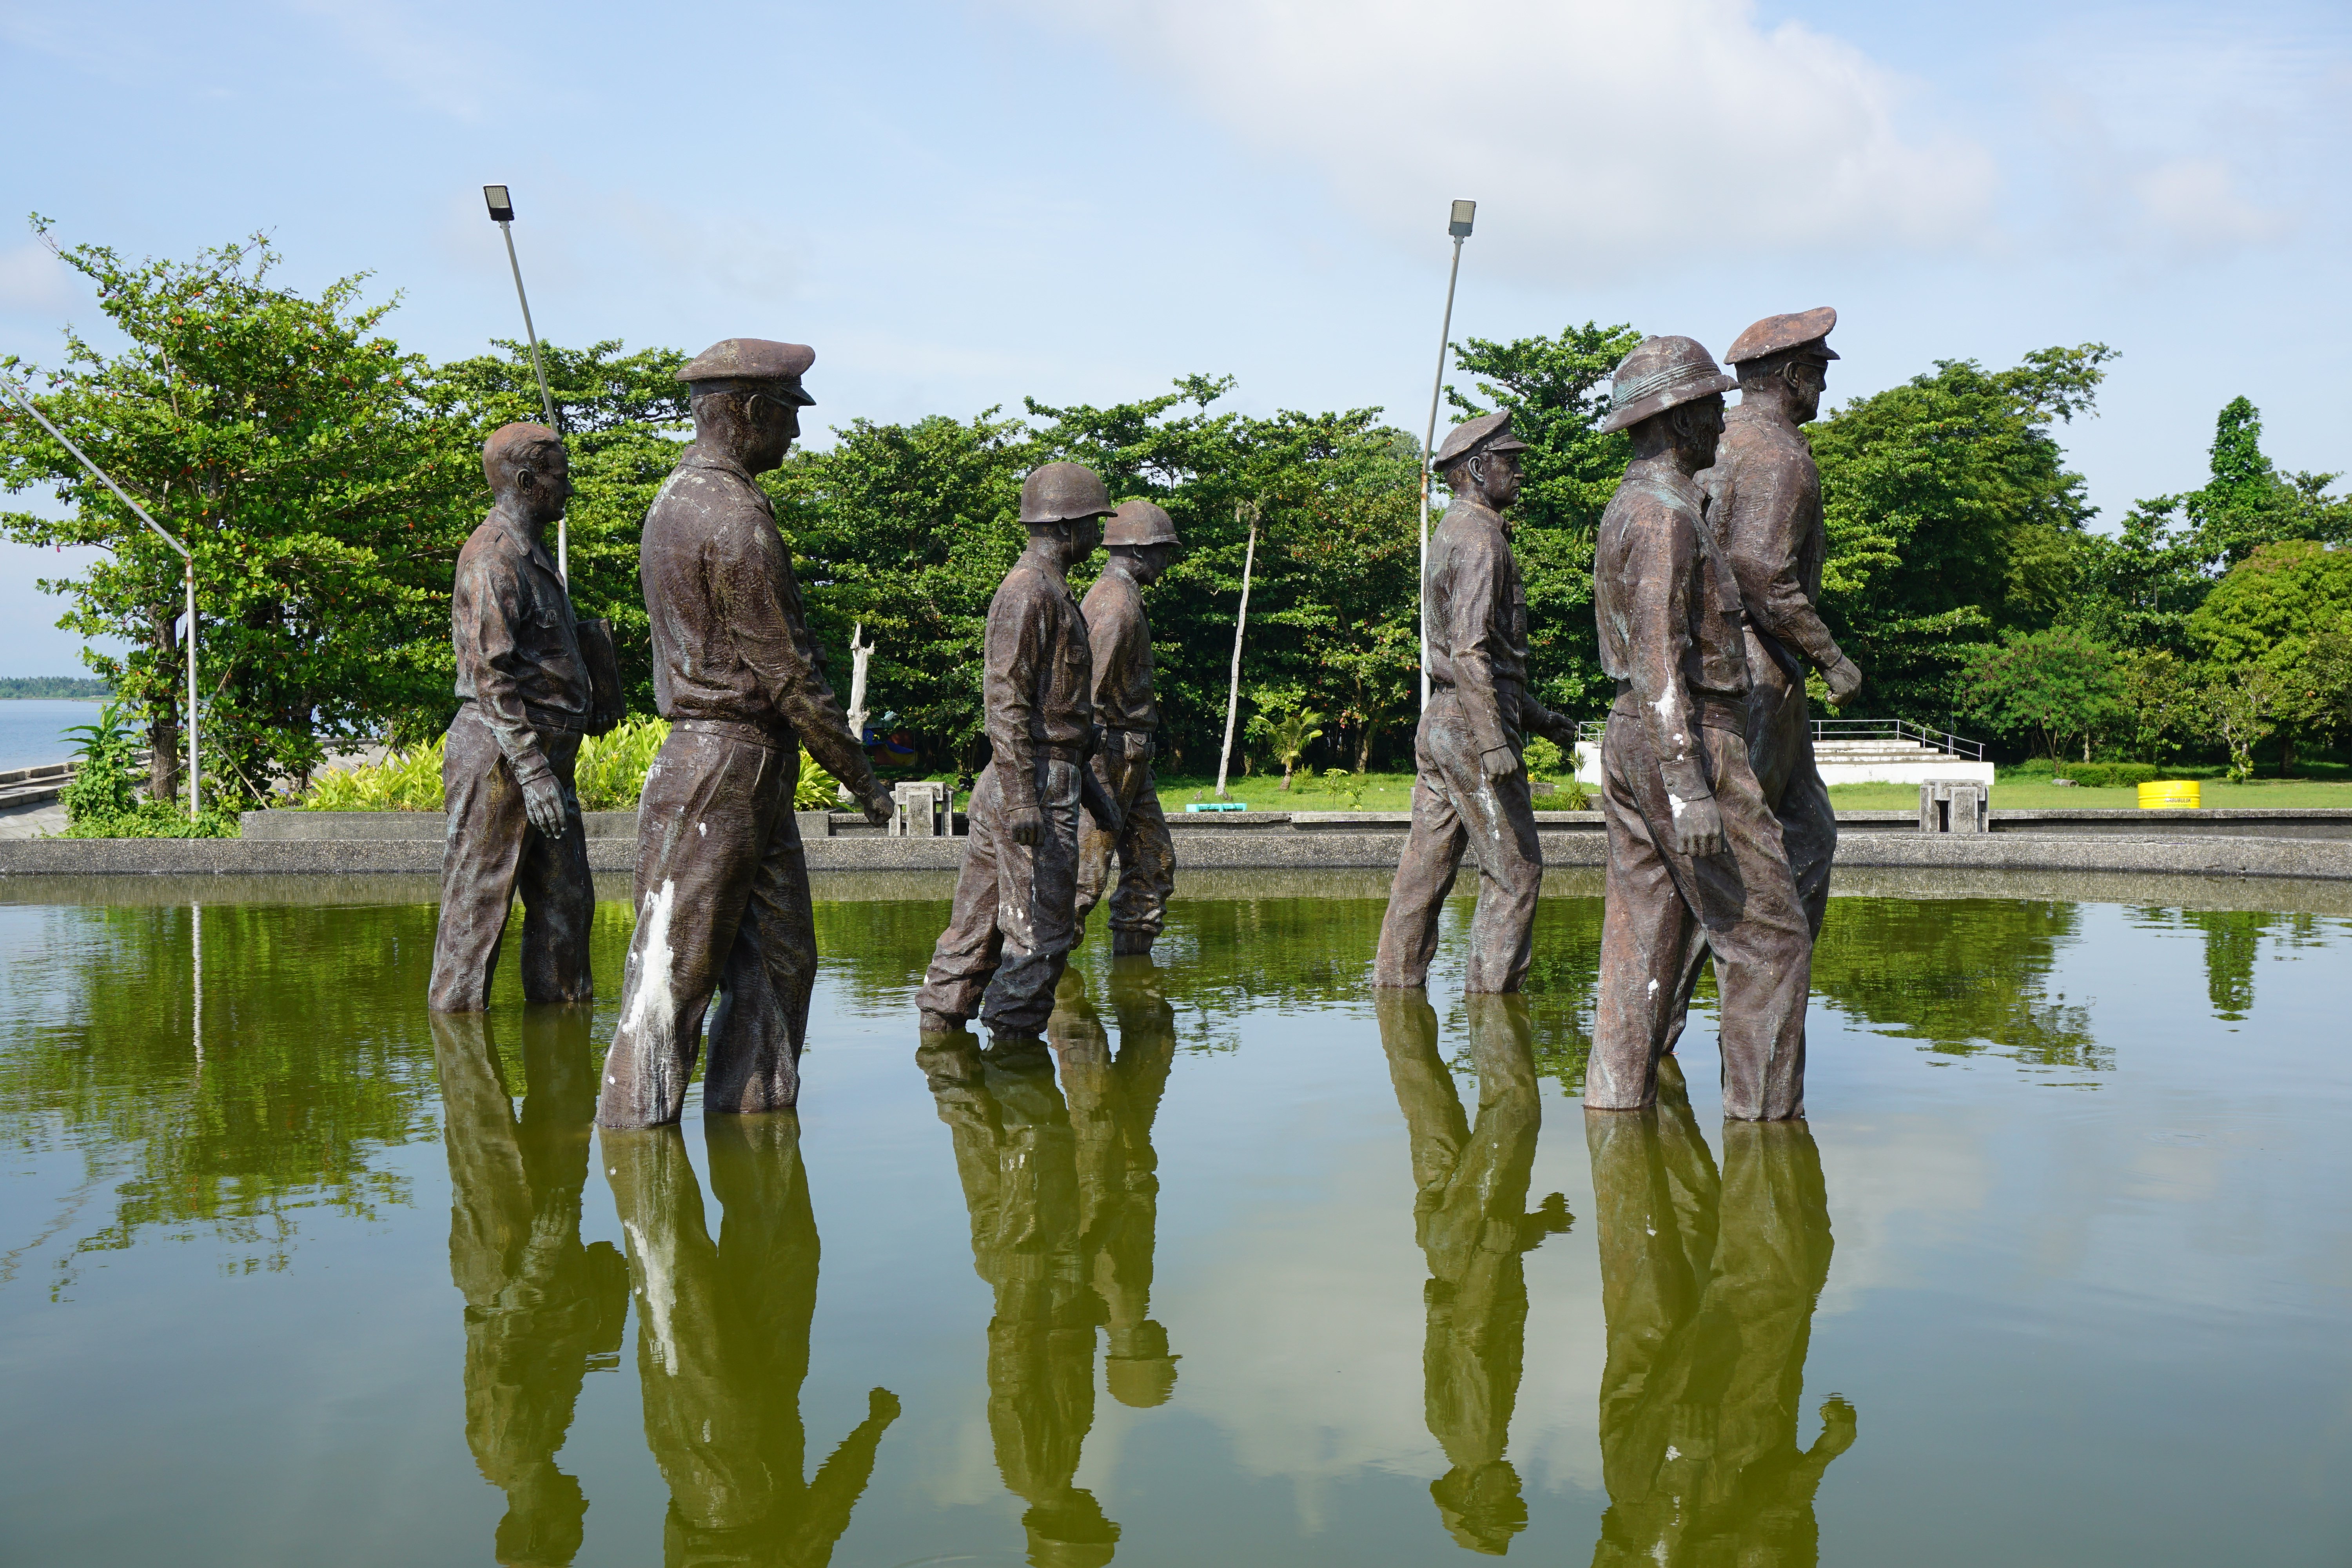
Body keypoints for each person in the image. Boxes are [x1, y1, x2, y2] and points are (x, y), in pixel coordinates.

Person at [596, 339, 894, 1130]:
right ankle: (641, 1164)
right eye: (790, 415)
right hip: (719, 760)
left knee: (782, 958)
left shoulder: (690, 500)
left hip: (746, 766)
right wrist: (863, 779)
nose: (796, 435)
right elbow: (787, 670)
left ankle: (756, 1126)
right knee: (673, 975)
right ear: (754, 411)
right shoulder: (728, 515)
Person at [1588, 336, 1813, 1120]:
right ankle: (1765, 1142)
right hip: (1688, 735)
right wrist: (1688, 785)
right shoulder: (1665, 514)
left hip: (1636, 736)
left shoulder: (1634, 504)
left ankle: (1617, 1111)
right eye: (1711, 406)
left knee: (1642, 942)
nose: (1724, 419)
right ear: (1679, 420)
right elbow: (1657, 657)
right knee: (1770, 941)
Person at [1664, 308, 1861, 1055]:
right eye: (1816, 374)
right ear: (1790, 377)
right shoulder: (1779, 455)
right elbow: (1766, 578)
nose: (1821, 390)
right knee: (1726, 867)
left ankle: (1764, 1001)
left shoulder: (1721, 444)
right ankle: (1733, 1011)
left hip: (1744, 672)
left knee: (1807, 832)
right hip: (1758, 673)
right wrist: (1832, 657)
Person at [1584, 1061, 1855, 1564]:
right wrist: (1823, 1455)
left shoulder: (1644, 1509)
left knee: (1668, 1236)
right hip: (1731, 1422)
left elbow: (1666, 1528)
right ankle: (1659, 1075)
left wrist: (1685, 1464)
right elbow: (1779, 1512)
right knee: (1735, 1249)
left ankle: (1653, 1071)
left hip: (1671, 1447)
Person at [602, 1116, 901, 1566]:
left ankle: (655, 1144)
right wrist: (871, 1432)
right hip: (715, 1462)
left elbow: (825, 1516)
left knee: (682, 1263)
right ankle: (716, 1132)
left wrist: (873, 1430)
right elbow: (823, 1518)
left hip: (720, 1465)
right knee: (707, 1258)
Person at [915, 463, 1124, 1041]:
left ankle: (950, 1076)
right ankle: (1016, 1065)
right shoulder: (1028, 592)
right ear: (1064, 526)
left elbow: (1060, 714)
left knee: (976, 928)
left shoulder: (1052, 592)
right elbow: (1004, 701)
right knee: (1040, 938)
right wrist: (1022, 801)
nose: (1097, 536)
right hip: (1029, 786)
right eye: (1091, 524)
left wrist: (1098, 800)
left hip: (1036, 778)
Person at [1375, 410, 1580, 994]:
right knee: (1516, 870)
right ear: (1475, 468)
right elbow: (1470, 653)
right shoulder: (1481, 539)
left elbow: (1482, 661)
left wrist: (1540, 720)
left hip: (1444, 722)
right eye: (1509, 462)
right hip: (1470, 727)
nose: (1519, 472)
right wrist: (1494, 740)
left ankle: (1396, 991)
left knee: (1424, 872)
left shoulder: (1451, 532)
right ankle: (1493, 1009)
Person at [1376, 990, 1571, 1555]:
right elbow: (1447, 1321)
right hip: (1442, 1243)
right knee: (1422, 1091)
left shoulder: (1478, 1438)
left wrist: (1493, 1253)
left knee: (1515, 1110)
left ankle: (1493, 999)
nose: (1515, 1491)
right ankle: (1399, 1008)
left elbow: (1472, 1336)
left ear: (1469, 1492)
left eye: (1502, 1502)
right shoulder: (1448, 1433)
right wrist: (1534, 1231)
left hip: (1471, 1245)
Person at [430, 1009, 626, 1566]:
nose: (584, 1508)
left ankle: (476, 1034)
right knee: (551, 1119)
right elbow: (537, 1357)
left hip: (512, 1257)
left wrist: (542, 1261)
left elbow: (505, 1341)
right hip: (532, 1265)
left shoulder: (512, 1448)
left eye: (574, 1525)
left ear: (539, 1529)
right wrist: (593, 1344)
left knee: (487, 1128)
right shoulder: (530, 1453)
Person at [429, 423, 597, 1013]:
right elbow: (489, 677)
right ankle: (463, 1061)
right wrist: (531, 770)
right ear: (527, 482)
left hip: (544, 761)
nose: (568, 491)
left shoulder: (534, 556)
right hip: (503, 759)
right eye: (560, 477)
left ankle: (561, 1054)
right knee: (476, 916)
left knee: (567, 909)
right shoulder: (493, 559)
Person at [1074, 499, 1179, 956]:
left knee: (1154, 863)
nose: (1166, 561)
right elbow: (1087, 689)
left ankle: (1134, 980)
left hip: (1133, 754)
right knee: (1085, 875)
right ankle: (1039, 987)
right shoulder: (1116, 602)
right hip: (1111, 752)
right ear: (1138, 550)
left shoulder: (1120, 595)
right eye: (1162, 551)